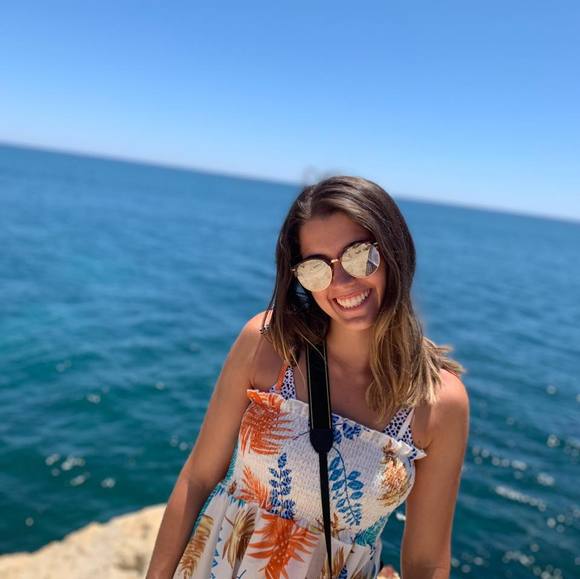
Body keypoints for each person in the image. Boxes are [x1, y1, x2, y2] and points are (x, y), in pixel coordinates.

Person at [146, 176, 470, 579]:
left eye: (360, 256)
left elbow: (426, 562)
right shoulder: (269, 344)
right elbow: (198, 478)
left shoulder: (438, 402)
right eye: (316, 269)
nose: (342, 283)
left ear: (393, 250)